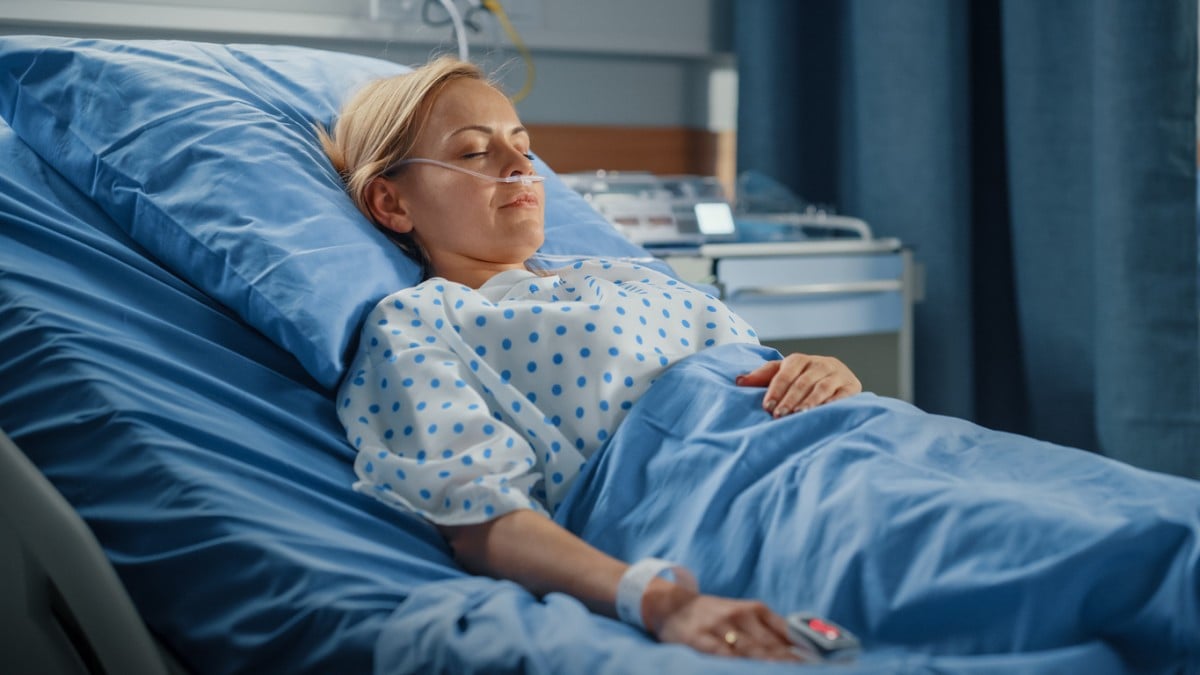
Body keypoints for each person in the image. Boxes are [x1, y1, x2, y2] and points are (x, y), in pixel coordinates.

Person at [320, 56, 863, 662]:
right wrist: (660, 601)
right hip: (746, 511)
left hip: (849, 449)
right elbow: (483, 518)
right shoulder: (421, 322)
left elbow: (755, 372)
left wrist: (823, 374)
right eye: (474, 152)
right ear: (392, 203)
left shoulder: (626, 277)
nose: (520, 165)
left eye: (523, 145)